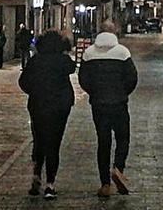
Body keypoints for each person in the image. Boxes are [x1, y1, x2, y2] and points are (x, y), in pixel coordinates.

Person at [79, 21, 138, 198]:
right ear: (114, 32)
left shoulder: (89, 53)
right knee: (123, 138)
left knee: (103, 142)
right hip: (119, 103)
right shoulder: (122, 52)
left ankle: (105, 183)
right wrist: (122, 92)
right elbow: (132, 78)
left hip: (98, 105)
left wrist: (94, 93)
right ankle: (118, 169)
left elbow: (83, 79)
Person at [19, 31, 76, 200]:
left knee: (39, 139)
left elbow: (23, 82)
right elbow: (72, 68)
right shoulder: (63, 61)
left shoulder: (36, 61)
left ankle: (36, 174)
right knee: (54, 142)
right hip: (60, 107)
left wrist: (34, 91)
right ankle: (50, 184)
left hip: (38, 105)